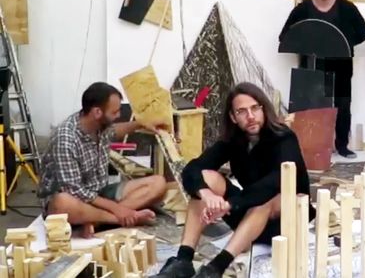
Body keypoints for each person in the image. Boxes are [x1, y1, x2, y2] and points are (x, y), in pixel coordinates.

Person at [152, 82, 315, 278]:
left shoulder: (283, 138)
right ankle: (183, 260)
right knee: (207, 178)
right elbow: (192, 169)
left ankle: (216, 267)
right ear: (233, 117)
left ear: (264, 109)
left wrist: (230, 204)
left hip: (285, 221)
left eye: (255, 108)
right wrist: (206, 193)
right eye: (242, 111)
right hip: (248, 216)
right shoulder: (234, 140)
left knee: (268, 198)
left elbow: (274, 183)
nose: (250, 116)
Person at [38, 82, 168, 238]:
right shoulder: (66, 139)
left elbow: (115, 131)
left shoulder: (100, 127)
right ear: (97, 112)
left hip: (99, 193)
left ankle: (94, 221)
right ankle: (118, 218)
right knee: (62, 203)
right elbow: (74, 190)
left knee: (158, 184)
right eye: (115, 112)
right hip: (74, 199)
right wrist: (117, 209)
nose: (118, 115)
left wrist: (140, 124)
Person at [279, 0, 365, 159]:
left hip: (341, 66)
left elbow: (364, 32)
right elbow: (285, 36)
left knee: (342, 106)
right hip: (313, 66)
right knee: (312, 106)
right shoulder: (303, 9)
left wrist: (343, 43)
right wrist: (307, 46)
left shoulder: (346, 8)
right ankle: (311, 148)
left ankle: (342, 146)